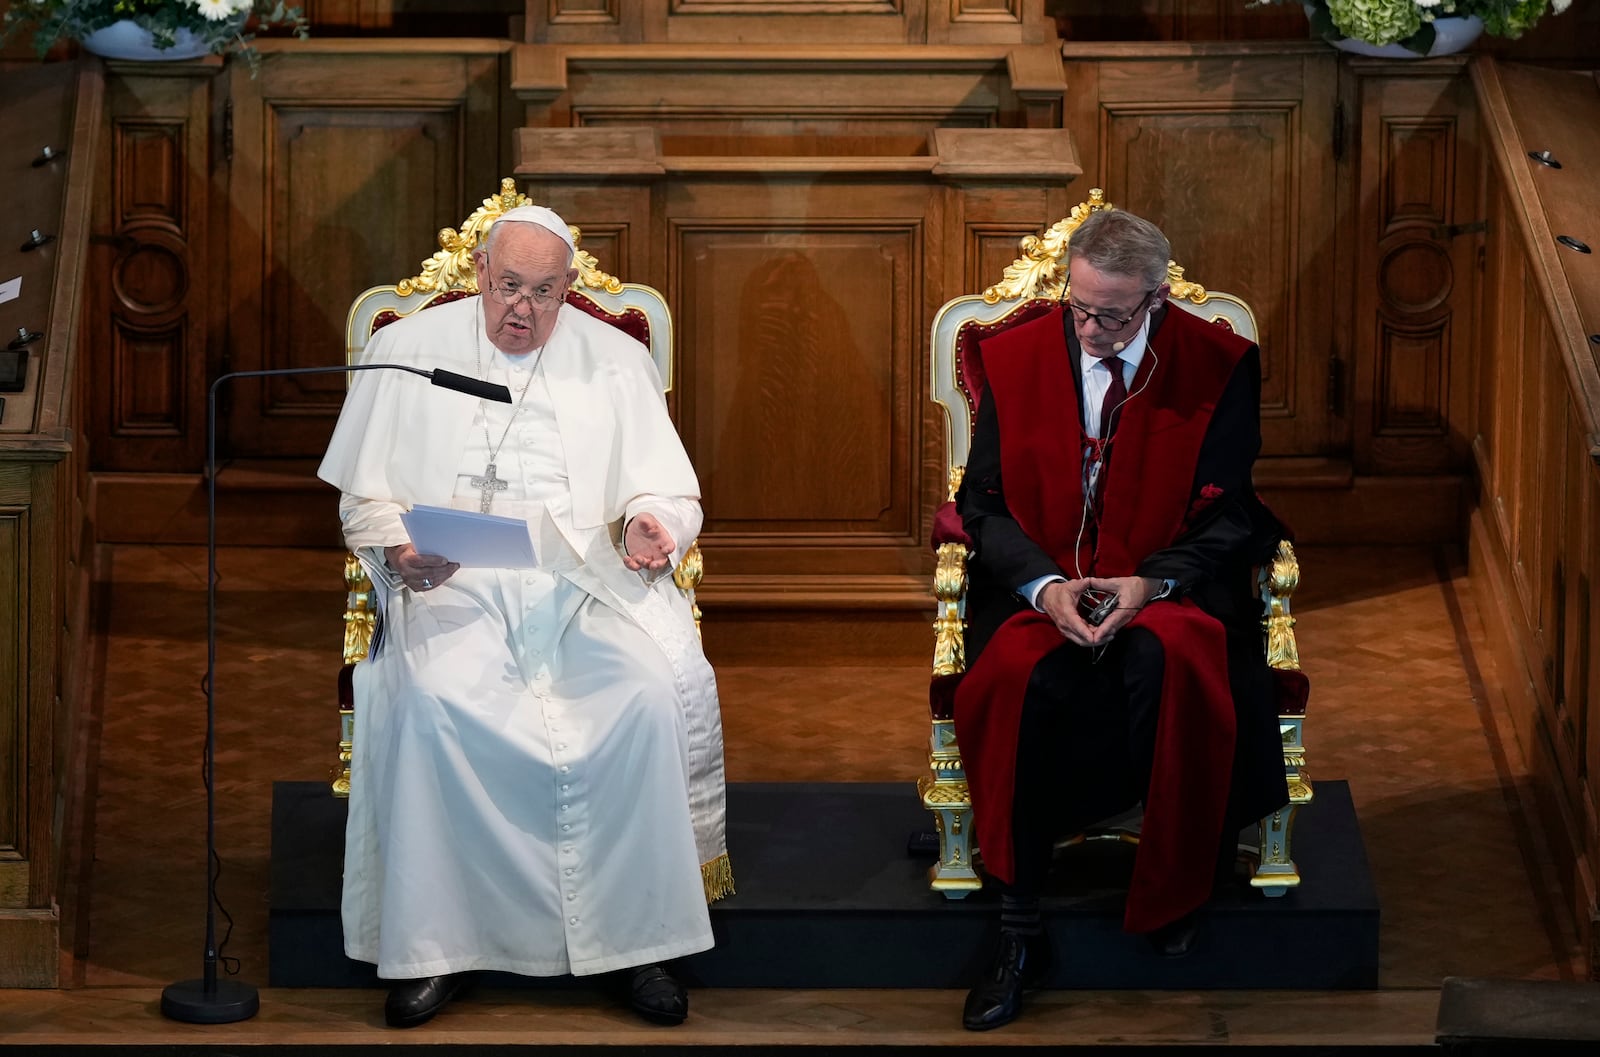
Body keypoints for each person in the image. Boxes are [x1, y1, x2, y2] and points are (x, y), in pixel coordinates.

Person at [317, 205, 730, 1029]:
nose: (523, 309)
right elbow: (365, 501)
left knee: (645, 695)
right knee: (433, 702)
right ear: (479, 273)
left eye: (544, 293)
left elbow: (668, 489)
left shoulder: (614, 360)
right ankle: (438, 950)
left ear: (568, 290)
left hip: (584, 583)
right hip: (453, 584)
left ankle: (639, 945)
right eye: (509, 286)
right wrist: (399, 551)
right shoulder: (405, 354)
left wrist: (656, 521)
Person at [951, 207, 1291, 1031]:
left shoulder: (1217, 366)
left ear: (1157, 297)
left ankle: (1176, 889)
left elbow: (1232, 512)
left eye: (1113, 313)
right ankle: (1017, 925)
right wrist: (1041, 586)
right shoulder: (1017, 355)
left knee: (1171, 665)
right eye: (1080, 308)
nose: (1093, 330)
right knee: (1020, 679)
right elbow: (982, 504)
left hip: (1165, 585)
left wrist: (1151, 584)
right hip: (1047, 585)